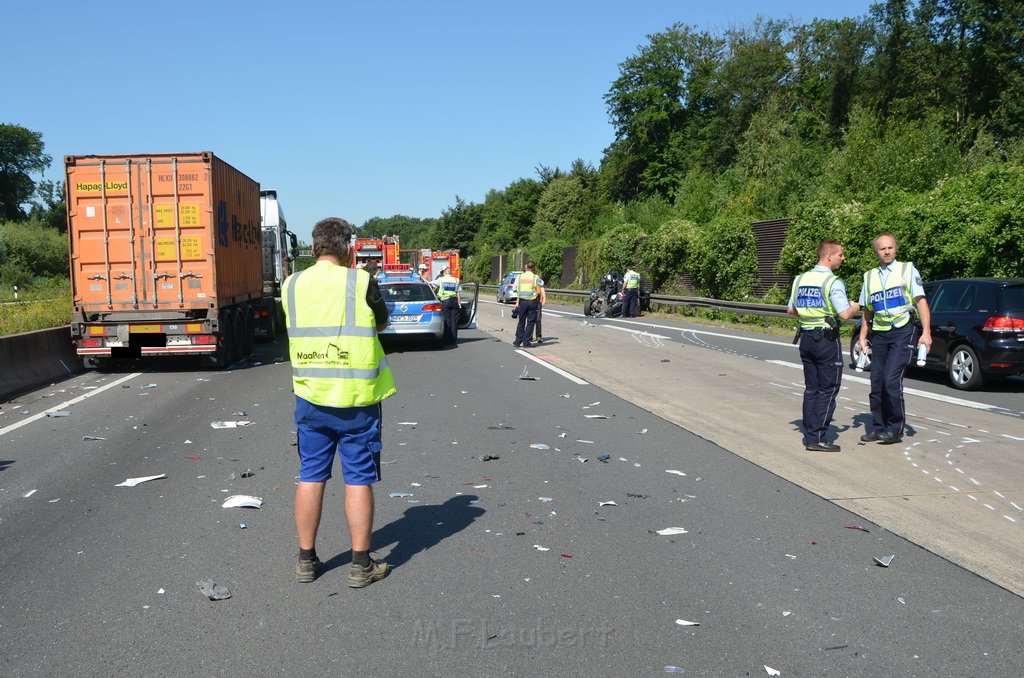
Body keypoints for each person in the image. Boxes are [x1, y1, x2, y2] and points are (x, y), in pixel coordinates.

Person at [282, 217, 396, 588]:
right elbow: (381, 324)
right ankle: (360, 565)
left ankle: (305, 561)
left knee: (311, 476)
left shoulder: (292, 284)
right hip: (356, 401)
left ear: (314, 247)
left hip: (311, 399)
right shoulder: (361, 281)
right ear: (348, 248)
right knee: (358, 479)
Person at [857, 233, 931, 445]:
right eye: (882, 249)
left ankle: (894, 428)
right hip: (880, 333)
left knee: (891, 379)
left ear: (895, 249)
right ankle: (878, 428)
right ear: (876, 252)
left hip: (902, 330)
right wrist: (863, 337)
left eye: (890, 248)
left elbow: (921, 302)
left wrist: (926, 333)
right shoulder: (869, 276)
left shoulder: (907, 270)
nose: (887, 251)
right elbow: (867, 311)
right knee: (876, 381)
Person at [787, 240, 860, 452]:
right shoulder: (833, 282)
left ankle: (810, 431)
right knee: (828, 388)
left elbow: (791, 310)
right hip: (826, 341)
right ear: (829, 256)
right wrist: (855, 306)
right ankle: (817, 437)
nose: (843, 258)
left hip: (806, 338)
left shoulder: (800, 279)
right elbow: (844, 314)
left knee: (812, 388)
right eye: (840, 254)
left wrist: (811, 313)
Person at [513, 261, 541, 348]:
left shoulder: (519, 277)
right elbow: (540, 289)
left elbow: (514, 289)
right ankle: (526, 342)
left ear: (526, 267)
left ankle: (518, 341)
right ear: (533, 268)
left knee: (521, 321)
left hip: (522, 302)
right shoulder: (536, 277)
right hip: (532, 302)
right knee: (530, 322)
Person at [435, 266, 462, 347]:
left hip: (445, 301)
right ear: (450, 273)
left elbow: (431, 283)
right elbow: (458, 293)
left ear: (444, 273)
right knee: (454, 321)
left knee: (447, 321)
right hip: (454, 301)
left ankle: (447, 340)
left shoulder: (441, 280)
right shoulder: (456, 280)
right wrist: (459, 303)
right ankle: (453, 340)